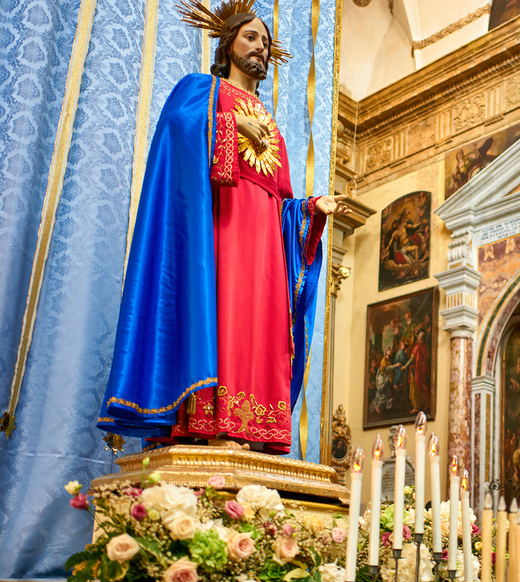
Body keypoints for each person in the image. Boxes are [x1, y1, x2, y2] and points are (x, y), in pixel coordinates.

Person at [98, 0, 347, 454]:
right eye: (250, 37)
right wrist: (230, 123)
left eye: (265, 41)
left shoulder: (272, 124)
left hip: (263, 250)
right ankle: (210, 425)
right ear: (228, 44)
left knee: (259, 328)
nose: (260, 47)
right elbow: (177, 131)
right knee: (220, 318)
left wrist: (311, 209)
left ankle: (245, 429)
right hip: (218, 235)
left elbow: (278, 203)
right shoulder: (202, 90)